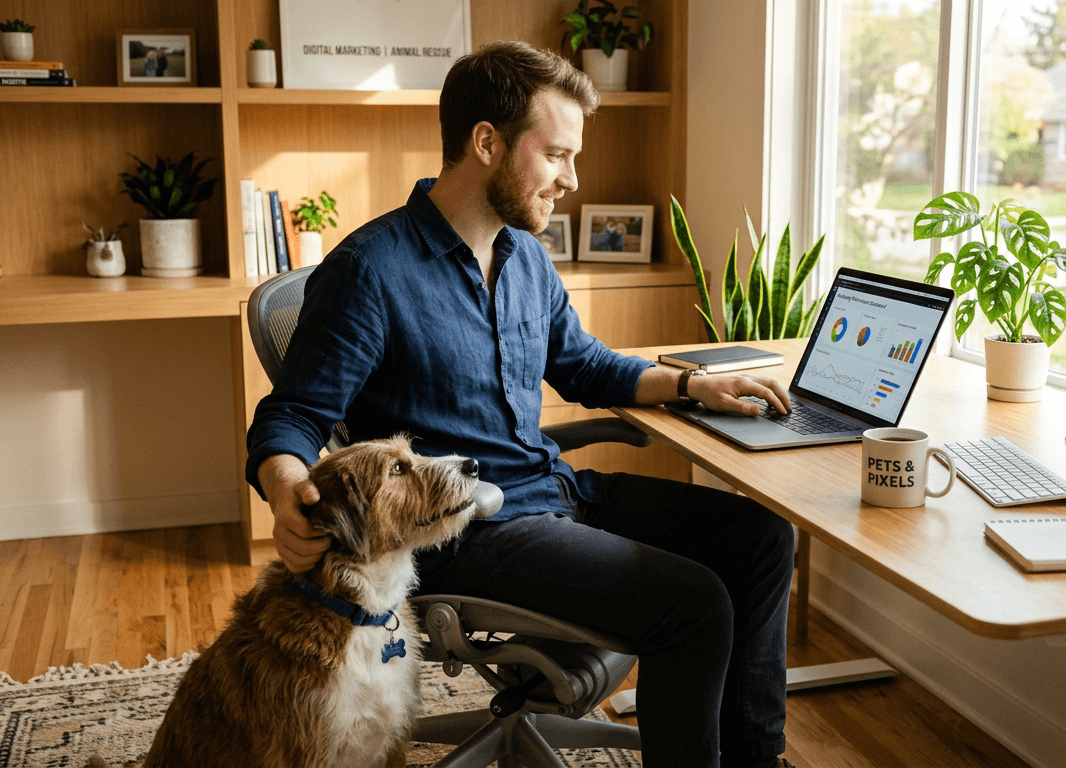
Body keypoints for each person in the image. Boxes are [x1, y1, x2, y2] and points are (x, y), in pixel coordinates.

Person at [246, 40, 796, 767]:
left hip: (552, 491)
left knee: (761, 540)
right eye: (557, 155)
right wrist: (286, 487)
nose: (571, 178)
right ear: (486, 142)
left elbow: (585, 364)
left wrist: (695, 384)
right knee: (693, 604)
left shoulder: (526, 255)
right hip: (463, 529)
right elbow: (292, 417)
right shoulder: (370, 272)